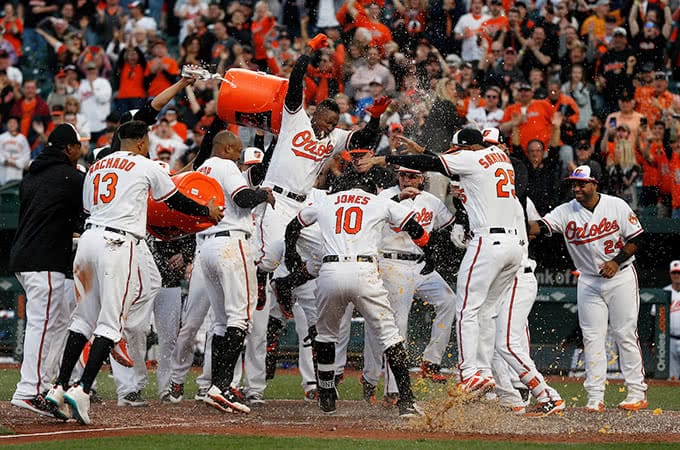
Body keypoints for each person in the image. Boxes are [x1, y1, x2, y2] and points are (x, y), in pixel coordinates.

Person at [44, 120, 223, 425]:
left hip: (88, 241)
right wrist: (205, 210)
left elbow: (86, 210)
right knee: (110, 322)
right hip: (118, 242)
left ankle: (59, 386)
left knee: (82, 320)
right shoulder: (145, 164)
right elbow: (174, 200)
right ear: (141, 142)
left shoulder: (97, 167)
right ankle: (82, 389)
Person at [358, 127, 525, 401]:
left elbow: (436, 164)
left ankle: (470, 372)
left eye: (457, 148)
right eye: (404, 174)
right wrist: (421, 152)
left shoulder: (461, 168)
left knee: (465, 309)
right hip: (509, 247)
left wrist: (382, 159)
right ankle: (480, 372)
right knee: (485, 312)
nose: (408, 178)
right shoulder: (498, 156)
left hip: (485, 241)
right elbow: (440, 163)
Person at [253, 33, 387, 306]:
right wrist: (310, 49)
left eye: (332, 122)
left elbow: (364, 139)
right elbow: (294, 81)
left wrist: (375, 118)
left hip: (304, 202)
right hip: (276, 198)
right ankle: (259, 278)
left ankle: (286, 285)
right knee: (270, 257)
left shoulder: (335, 137)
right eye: (325, 121)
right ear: (314, 114)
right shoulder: (296, 120)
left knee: (324, 254)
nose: (327, 126)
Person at [283, 173, 429, 417]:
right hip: (364, 270)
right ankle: (406, 401)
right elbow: (415, 228)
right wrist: (427, 249)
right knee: (389, 336)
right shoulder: (379, 201)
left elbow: (293, 225)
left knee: (326, 335)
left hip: (330, 271)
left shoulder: (326, 201)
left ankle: (327, 393)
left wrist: (291, 255)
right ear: (368, 189)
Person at [529, 165, 648, 413]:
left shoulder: (615, 205)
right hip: (589, 281)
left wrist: (616, 261)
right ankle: (595, 397)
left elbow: (637, 238)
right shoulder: (565, 210)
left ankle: (637, 392)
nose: (577, 188)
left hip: (621, 276)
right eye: (574, 184)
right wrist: (523, 219)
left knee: (625, 334)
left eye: (582, 184)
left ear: (595, 184)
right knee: (592, 338)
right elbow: (541, 227)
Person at [193, 129, 275, 415]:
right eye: (237, 149)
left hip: (206, 246)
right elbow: (241, 199)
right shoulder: (226, 166)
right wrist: (262, 193)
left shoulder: (202, 168)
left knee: (219, 322)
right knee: (240, 316)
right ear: (227, 149)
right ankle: (222, 386)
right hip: (231, 243)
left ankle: (216, 386)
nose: (239, 155)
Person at [8, 124, 84, 416]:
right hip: (45, 260)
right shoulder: (70, 178)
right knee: (42, 325)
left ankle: (44, 385)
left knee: (55, 322)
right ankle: (29, 390)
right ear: (68, 149)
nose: (80, 150)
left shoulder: (32, 176)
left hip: (26, 257)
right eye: (77, 145)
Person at [362, 166, 456, 397]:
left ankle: (431, 361)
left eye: (413, 175)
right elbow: (370, 213)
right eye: (403, 175)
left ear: (423, 178)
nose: (407, 179)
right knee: (397, 326)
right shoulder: (386, 196)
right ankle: (393, 390)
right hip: (391, 263)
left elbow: (448, 228)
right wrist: (397, 198)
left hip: (420, 264)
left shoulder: (431, 201)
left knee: (449, 300)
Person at [667, 260, 680, 380]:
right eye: (674, 273)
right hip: (670, 339)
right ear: (670, 274)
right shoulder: (665, 292)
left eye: (679, 273)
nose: (677, 276)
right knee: (673, 378)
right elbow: (654, 317)